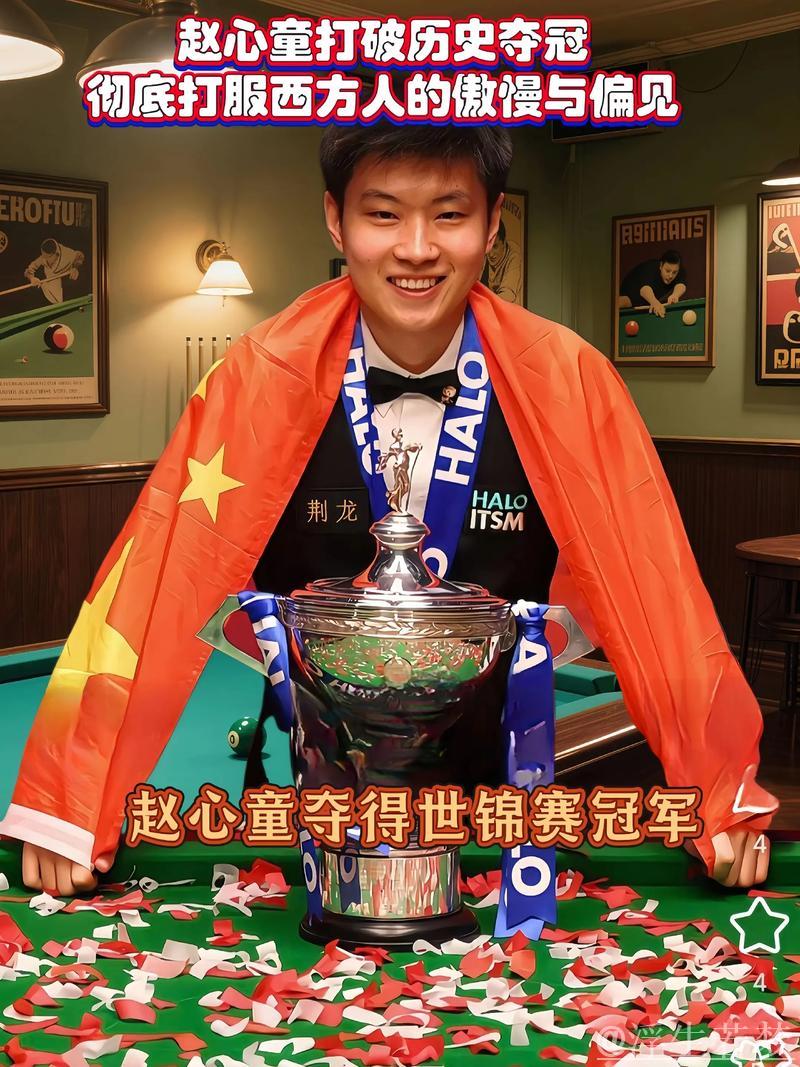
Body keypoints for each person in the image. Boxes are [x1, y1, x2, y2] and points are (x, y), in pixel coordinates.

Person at [2, 124, 776, 899]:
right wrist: (70, 800)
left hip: (495, 821)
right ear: (335, 220)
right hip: (304, 822)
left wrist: (721, 788)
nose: (416, 248)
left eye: (449, 214)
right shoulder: (258, 377)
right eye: (382, 214)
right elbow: (158, 579)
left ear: (492, 223)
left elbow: (657, 592)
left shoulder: (570, 380)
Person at [619, 249, 687, 318]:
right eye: (667, 271)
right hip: (630, 293)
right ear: (661, 266)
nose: (670, 276)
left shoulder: (677, 269)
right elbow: (644, 290)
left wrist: (675, 295)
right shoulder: (650, 270)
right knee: (622, 303)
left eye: (674, 272)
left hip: (647, 301)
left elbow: (681, 285)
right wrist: (654, 302)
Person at [24, 239, 85, 306]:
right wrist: (32, 278)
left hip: (66, 280)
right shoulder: (43, 257)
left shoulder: (67, 254)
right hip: (51, 280)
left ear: (56, 254)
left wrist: (75, 268)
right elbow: (28, 271)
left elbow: (80, 255)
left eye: (47, 257)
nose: (44, 259)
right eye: (43, 255)